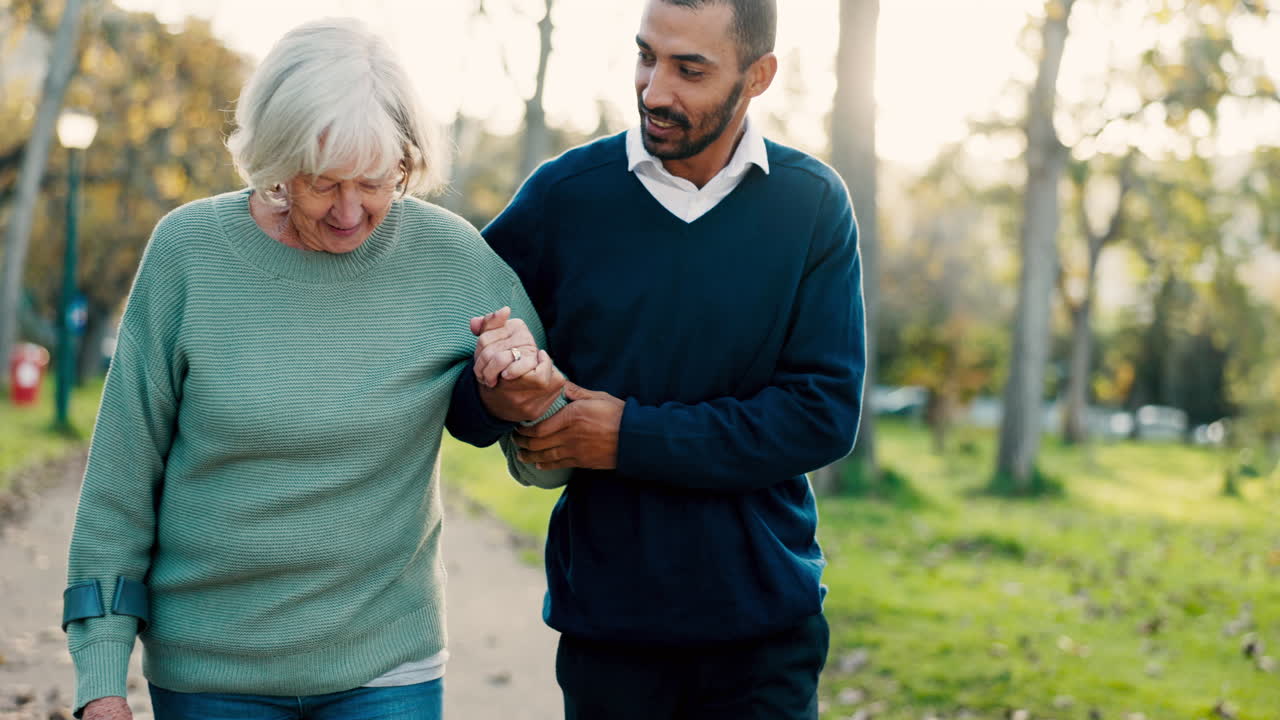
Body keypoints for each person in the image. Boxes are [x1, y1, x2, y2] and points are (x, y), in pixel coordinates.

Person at [63, 19, 566, 720]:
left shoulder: (452, 259)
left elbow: (549, 460)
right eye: (321, 184)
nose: (351, 212)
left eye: (376, 181)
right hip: (211, 673)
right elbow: (121, 477)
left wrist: (525, 398)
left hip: (388, 669)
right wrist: (101, 679)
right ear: (273, 158)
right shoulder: (187, 254)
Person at [459, 0, 866, 717]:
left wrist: (625, 437)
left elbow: (821, 417)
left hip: (764, 631)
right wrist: (501, 391)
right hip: (611, 633)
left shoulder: (811, 205)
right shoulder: (565, 198)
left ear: (759, 75)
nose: (653, 90)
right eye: (646, 55)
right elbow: (459, 387)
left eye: (690, 69)